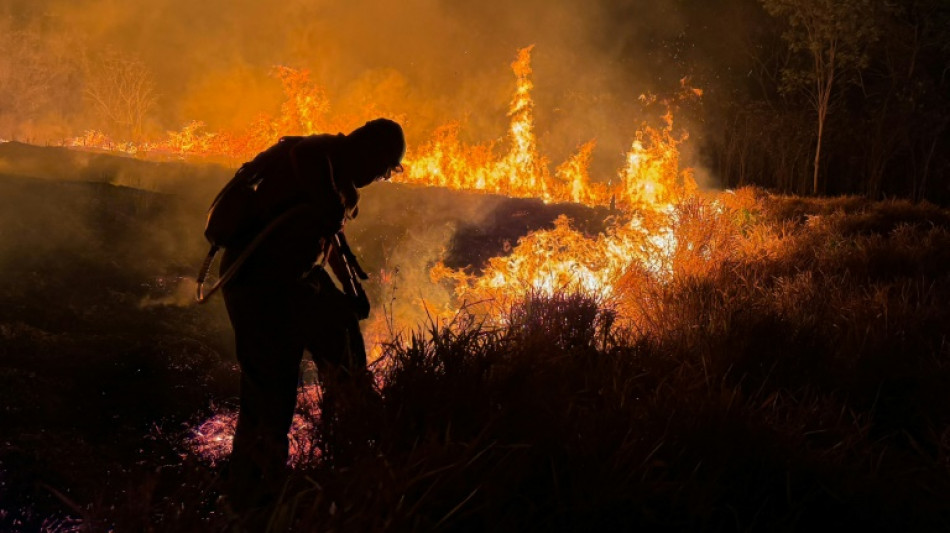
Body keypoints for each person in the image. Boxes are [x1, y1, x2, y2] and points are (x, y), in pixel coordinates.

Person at [219, 118, 405, 511]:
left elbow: (328, 237)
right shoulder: (315, 154)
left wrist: (351, 288)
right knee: (270, 391)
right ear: (369, 151)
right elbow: (313, 191)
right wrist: (327, 200)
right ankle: (253, 498)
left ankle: (345, 454)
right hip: (259, 283)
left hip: (296, 280)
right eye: (383, 169)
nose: (377, 178)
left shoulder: (335, 172)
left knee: (346, 355)